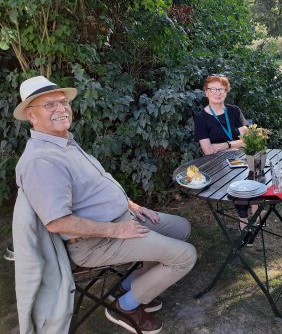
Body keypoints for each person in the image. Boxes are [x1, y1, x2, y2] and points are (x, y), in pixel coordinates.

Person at [13, 76, 197, 334]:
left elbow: (96, 186)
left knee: (181, 227)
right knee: (185, 256)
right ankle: (125, 306)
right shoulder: (40, 161)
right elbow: (57, 222)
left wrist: (132, 206)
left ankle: (128, 286)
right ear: (31, 115)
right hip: (94, 242)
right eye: (49, 105)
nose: (61, 109)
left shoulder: (64, 142)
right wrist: (117, 231)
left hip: (122, 219)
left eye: (63, 102)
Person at [193, 74, 258, 243]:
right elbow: (208, 150)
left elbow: (250, 140)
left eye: (221, 89)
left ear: (226, 92)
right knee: (240, 183)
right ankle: (245, 223)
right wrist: (238, 143)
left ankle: (257, 215)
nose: (217, 93)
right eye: (213, 89)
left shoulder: (234, 111)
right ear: (206, 93)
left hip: (240, 157)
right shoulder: (201, 117)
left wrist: (225, 145)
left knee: (257, 171)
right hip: (218, 164)